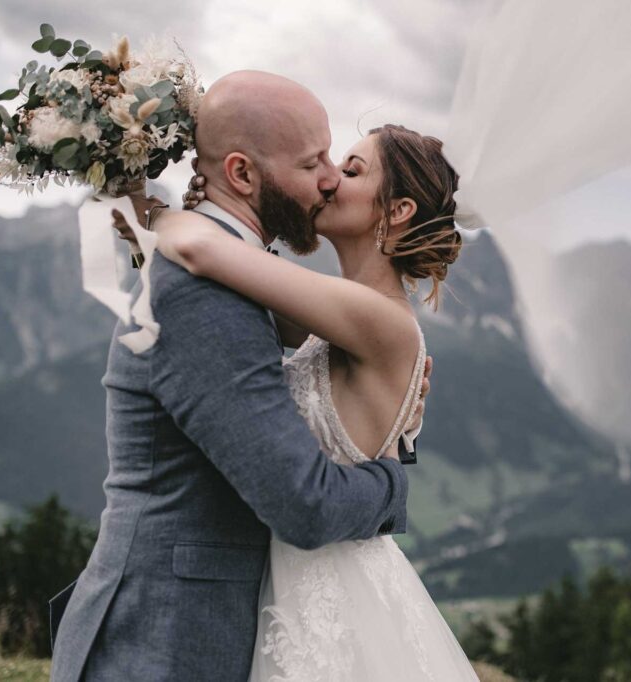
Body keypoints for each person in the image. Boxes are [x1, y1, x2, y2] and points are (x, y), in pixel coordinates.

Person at [49, 71, 427, 682]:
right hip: (163, 641)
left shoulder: (244, 281)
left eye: (340, 162)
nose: (330, 177)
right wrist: (391, 484)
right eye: (315, 163)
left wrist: (383, 415)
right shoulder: (203, 293)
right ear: (244, 175)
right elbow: (303, 505)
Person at [117, 120, 477, 679]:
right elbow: (238, 280)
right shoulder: (338, 314)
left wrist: (156, 208)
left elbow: (198, 246)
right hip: (293, 580)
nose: (329, 179)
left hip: (329, 596)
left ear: (398, 210)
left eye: (351, 170)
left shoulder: (379, 319)